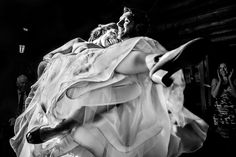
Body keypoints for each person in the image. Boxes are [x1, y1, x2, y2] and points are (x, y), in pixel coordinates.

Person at [10, 7, 209, 157]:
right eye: (118, 23)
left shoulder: (133, 42)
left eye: (125, 21)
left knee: (104, 109)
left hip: (120, 85)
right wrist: (50, 74)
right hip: (89, 77)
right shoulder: (84, 45)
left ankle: (156, 66)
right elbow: (47, 62)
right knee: (108, 65)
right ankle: (154, 65)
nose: (118, 26)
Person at [209, 62, 236, 156]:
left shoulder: (234, 80)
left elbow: (235, 95)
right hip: (219, 115)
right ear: (218, 70)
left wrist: (230, 80)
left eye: (225, 67)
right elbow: (214, 95)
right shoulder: (215, 80)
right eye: (221, 68)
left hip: (232, 115)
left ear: (229, 69)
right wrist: (220, 81)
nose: (223, 70)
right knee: (221, 140)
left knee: (231, 138)